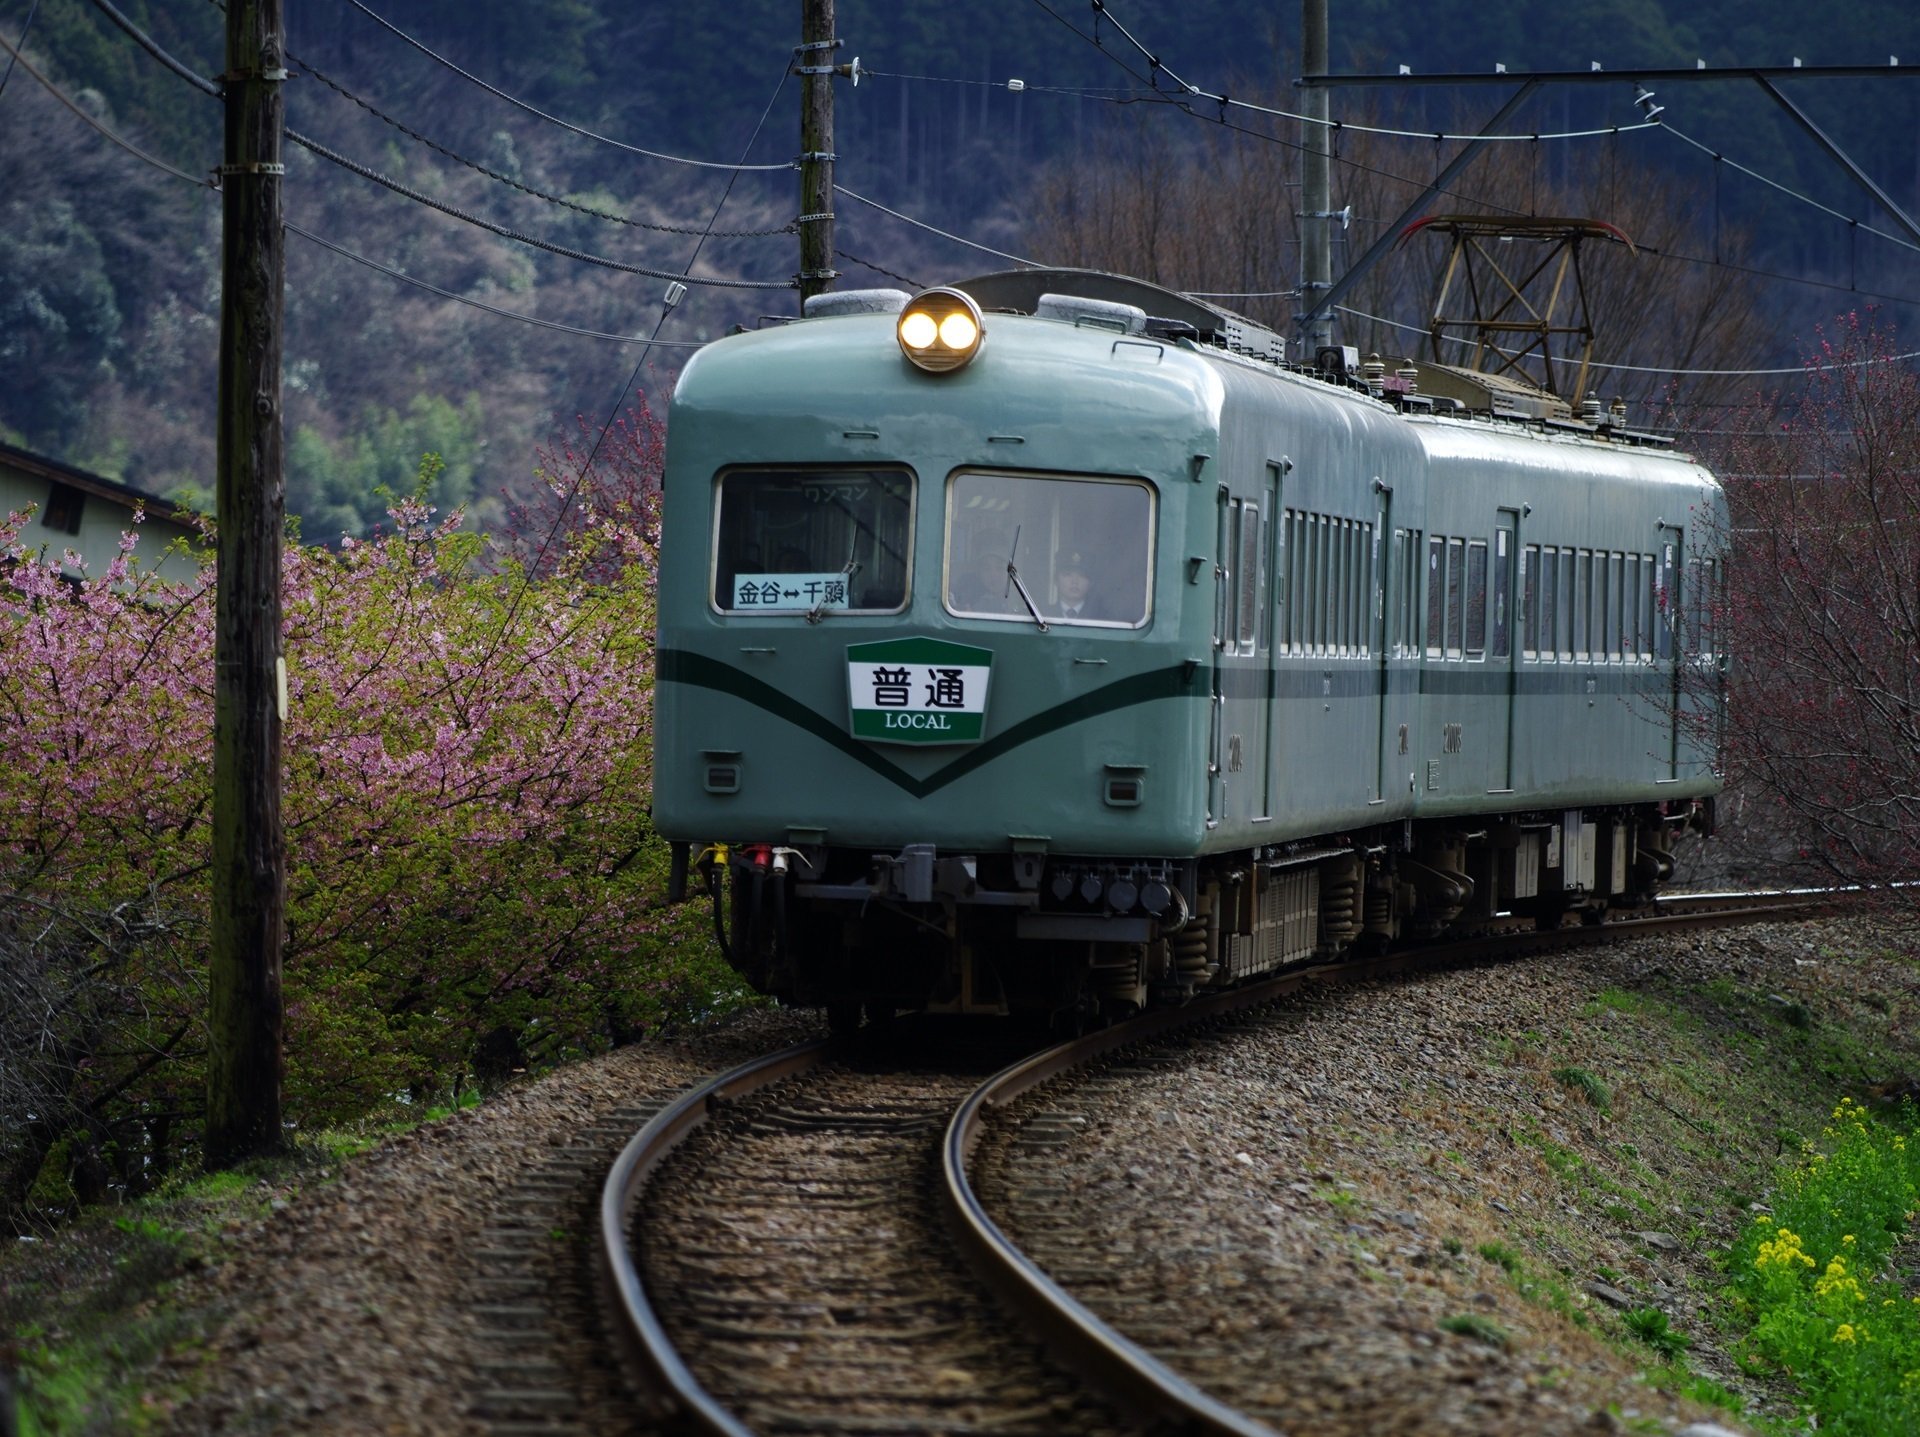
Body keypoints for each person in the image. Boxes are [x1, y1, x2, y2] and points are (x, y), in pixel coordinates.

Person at [1052, 551, 1107, 621]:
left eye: (1082, 575)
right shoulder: (1043, 614)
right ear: (1056, 580)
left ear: (1091, 582)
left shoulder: (1102, 618)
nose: (1075, 581)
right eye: (1068, 574)